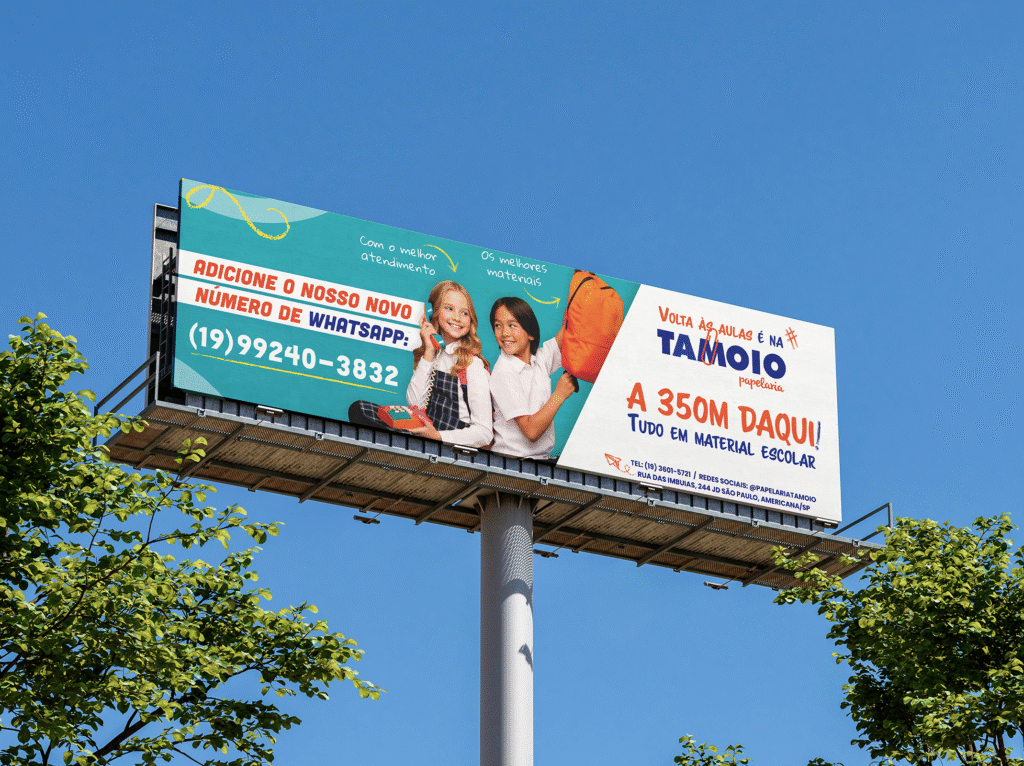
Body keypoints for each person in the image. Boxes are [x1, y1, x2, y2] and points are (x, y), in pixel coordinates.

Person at [347, 281, 492, 448]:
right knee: (360, 409)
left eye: (464, 313)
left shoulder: (472, 365)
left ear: (471, 319)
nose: (457, 318)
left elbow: (484, 432)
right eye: (449, 308)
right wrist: (429, 351)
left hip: (448, 442)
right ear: (432, 312)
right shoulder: (433, 355)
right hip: (422, 432)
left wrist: (437, 436)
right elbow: (415, 405)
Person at [489, 296, 576, 459]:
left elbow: (565, 333)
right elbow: (531, 431)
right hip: (513, 464)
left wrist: (578, 295)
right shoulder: (503, 373)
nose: (504, 333)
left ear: (530, 332)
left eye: (512, 325)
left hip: (539, 459)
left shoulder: (538, 360)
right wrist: (559, 395)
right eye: (497, 325)